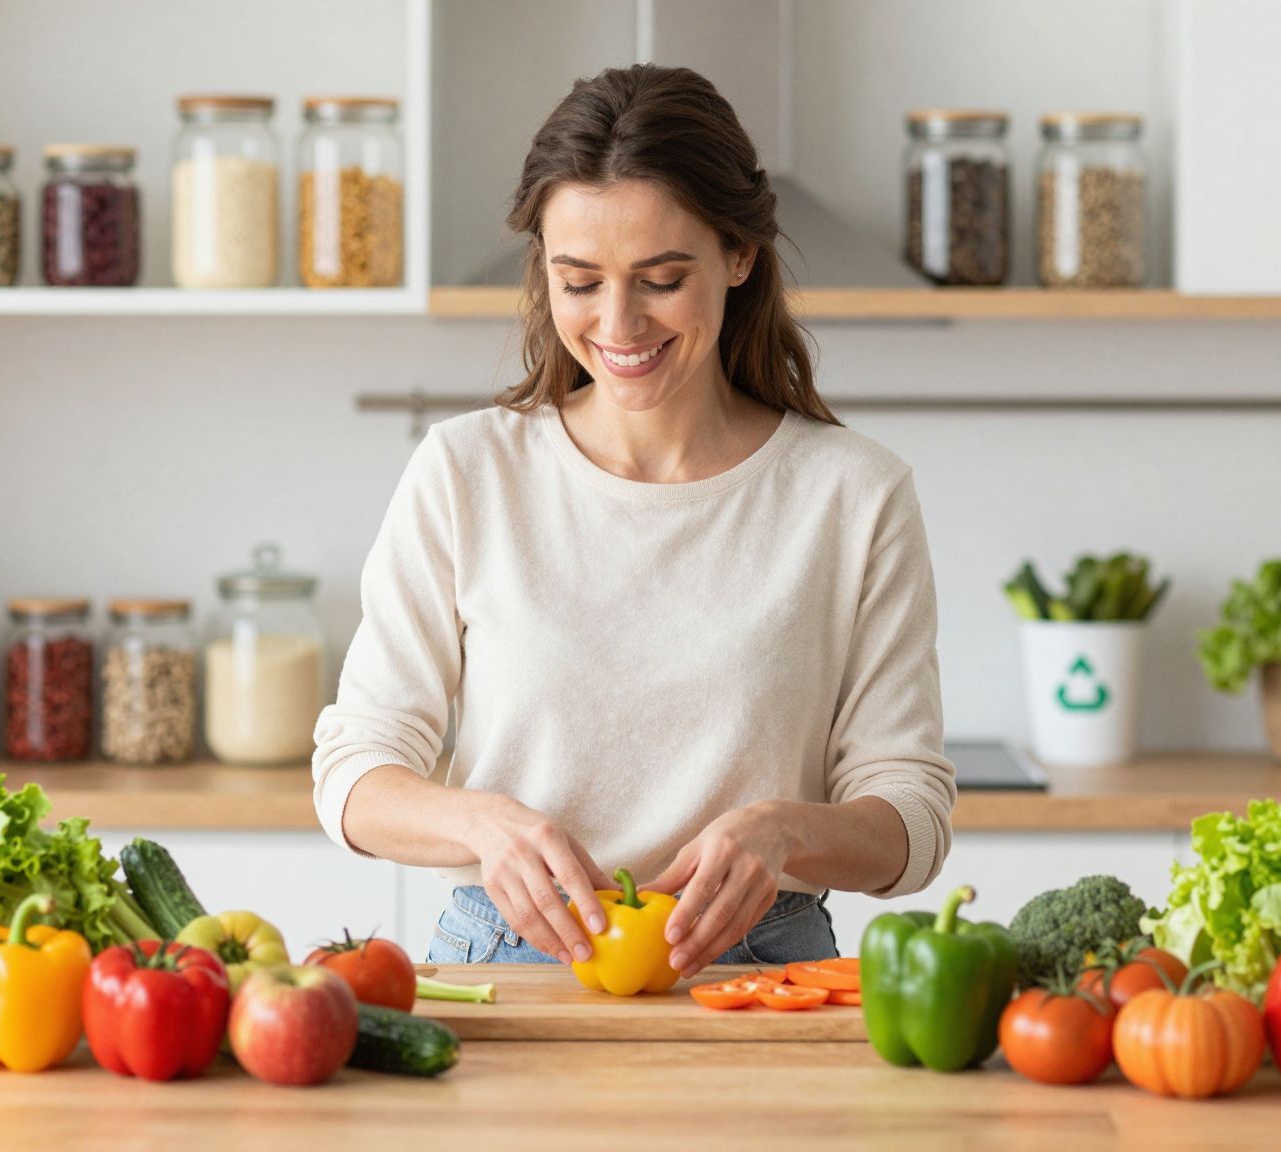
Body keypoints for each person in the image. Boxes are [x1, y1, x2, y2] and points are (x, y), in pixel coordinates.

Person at [311, 64, 954, 978]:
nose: (618, 323)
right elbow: (353, 775)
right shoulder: (467, 471)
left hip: (763, 972)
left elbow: (912, 822)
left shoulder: (854, 496)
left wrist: (787, 833)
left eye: (660, 279)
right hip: (507, 957)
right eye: (578, 281)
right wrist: (481, 823)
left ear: (740, 257)